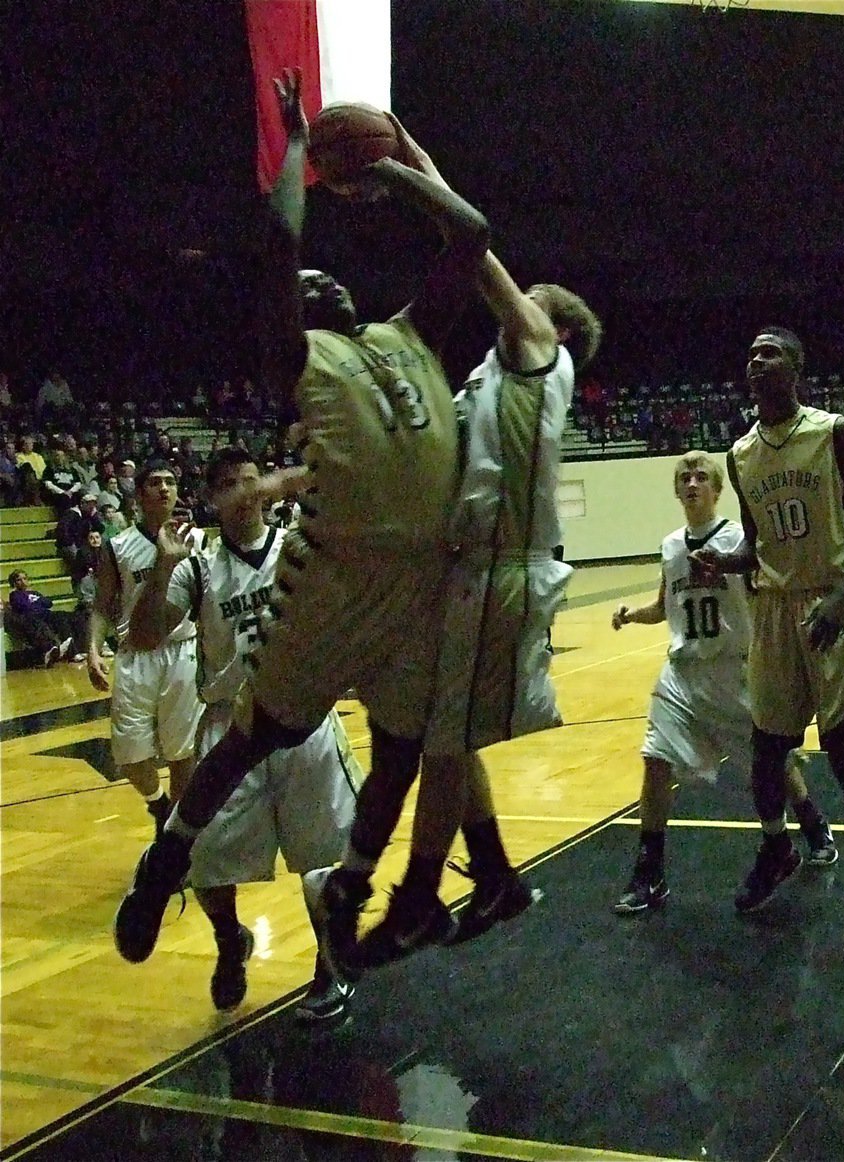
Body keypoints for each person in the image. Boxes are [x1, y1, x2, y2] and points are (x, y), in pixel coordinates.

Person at [112, 67, 489, 968]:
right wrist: (298, 151)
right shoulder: (300, 358)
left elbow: (470, 234)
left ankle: (353, 884)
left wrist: (394, 164)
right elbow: (281, 239)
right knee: (255, 734)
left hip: (415, 583)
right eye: (305, 281)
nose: (316, 280)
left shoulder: (406, 335)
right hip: (335, 575)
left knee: (401, 747)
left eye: (326, 277)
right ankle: (166, 861)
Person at [327, 121, 605, 973]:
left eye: (533, 294)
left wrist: (401, 171)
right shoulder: (497, 372)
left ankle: (415, 902)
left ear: (550, 324)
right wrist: (418, 155)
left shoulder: (538, 352)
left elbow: (473, 244)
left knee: (444, 746)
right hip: (472, 573)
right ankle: (492, 874)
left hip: (500, 574)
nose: (518, 296)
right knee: (455, 734)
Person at [691, 327, 844, 961]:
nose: (755, 361)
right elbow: (757, 545)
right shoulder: (739, 455)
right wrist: (724, 563)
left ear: (798, 366)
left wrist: (841, 597)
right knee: (766, 754)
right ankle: (777, 845)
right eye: (751, 352)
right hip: (774, 614)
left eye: (770, 352)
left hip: (833, 607)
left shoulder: (833, 432)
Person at [127, 448, 360, 1023]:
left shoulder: (297, 546)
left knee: (323, 856)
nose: (244, 492)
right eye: (229, 484)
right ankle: (230, 939)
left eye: (251, 481)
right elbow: (144, 635)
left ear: (266, 489)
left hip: (303, 719)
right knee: (207, 863)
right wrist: (161, 567)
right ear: (213, 497)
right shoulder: (194, 565)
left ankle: (329, 965)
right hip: (231, 725)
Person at [610, 451, 836, 916]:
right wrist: (633, 616)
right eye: (684, 477)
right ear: (677, 491)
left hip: (735, 671)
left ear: (716, 489)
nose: (692, 483)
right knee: (655, 760)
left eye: (700, 477)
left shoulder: (737, 539)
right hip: (683, 674)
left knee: (772, 764)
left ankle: (812, 824)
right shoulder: (671, 546)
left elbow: (764, 592)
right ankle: (649, 870)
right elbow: (666, 606)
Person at [88, 460, 207, 835]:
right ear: (139, 495)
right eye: (154, 483)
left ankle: (176, 836)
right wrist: (92, 649)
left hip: (183, 651)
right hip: (135, 656)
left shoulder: (198, 540)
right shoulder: (119, 545)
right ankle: (159, 804)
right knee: (128, 756)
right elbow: (103, 605)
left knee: (181, 753)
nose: (164, 489)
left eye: (170, 482)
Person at [3, 570, 78, 666]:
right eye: (19, 580)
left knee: (61, 616)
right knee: (37, 623)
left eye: (24, 578)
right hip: (32, 617)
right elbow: (24, 607)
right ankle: (50, 650)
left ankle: (70, 648)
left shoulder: (34, 592)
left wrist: (35, 603)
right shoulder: (15, 595)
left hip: (46, 614)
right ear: (14, 583)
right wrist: (38, 602)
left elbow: (48, 603)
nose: (23, 581)